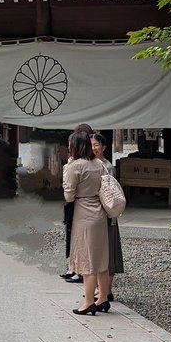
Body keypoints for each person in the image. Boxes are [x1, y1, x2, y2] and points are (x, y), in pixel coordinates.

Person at [63, 129, 112, 314]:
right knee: (100, 258)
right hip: (99, 212)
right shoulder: (99, 164)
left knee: (87, 259)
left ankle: (89, 301)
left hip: (83, 213)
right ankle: (103, 298)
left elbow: (68, 195)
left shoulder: (75, 166)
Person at [91, 132, 124, 304]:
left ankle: (107, 290)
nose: (93, 148)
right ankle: (99, 289)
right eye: (91, 145)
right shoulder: (89, 165)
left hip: (107, 214)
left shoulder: (108, 167)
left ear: (103, 147)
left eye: (96, 145)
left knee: (108, 253)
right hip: (96, 215)